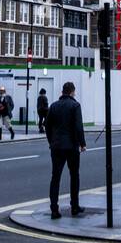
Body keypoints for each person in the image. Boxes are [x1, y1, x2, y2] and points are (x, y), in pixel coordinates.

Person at [45, 81, 86, 219]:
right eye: (74, 92)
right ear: (72, 92)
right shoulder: (75, 105)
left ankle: (54, 210)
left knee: (55, 178)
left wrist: (51, 141)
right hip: (71, 146)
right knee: (74, 176)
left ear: (63, 92)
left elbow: (47, 125)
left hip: (56, 146)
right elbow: (78, 126)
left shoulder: (54, 106)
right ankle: (74, 206)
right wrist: (82, 143)